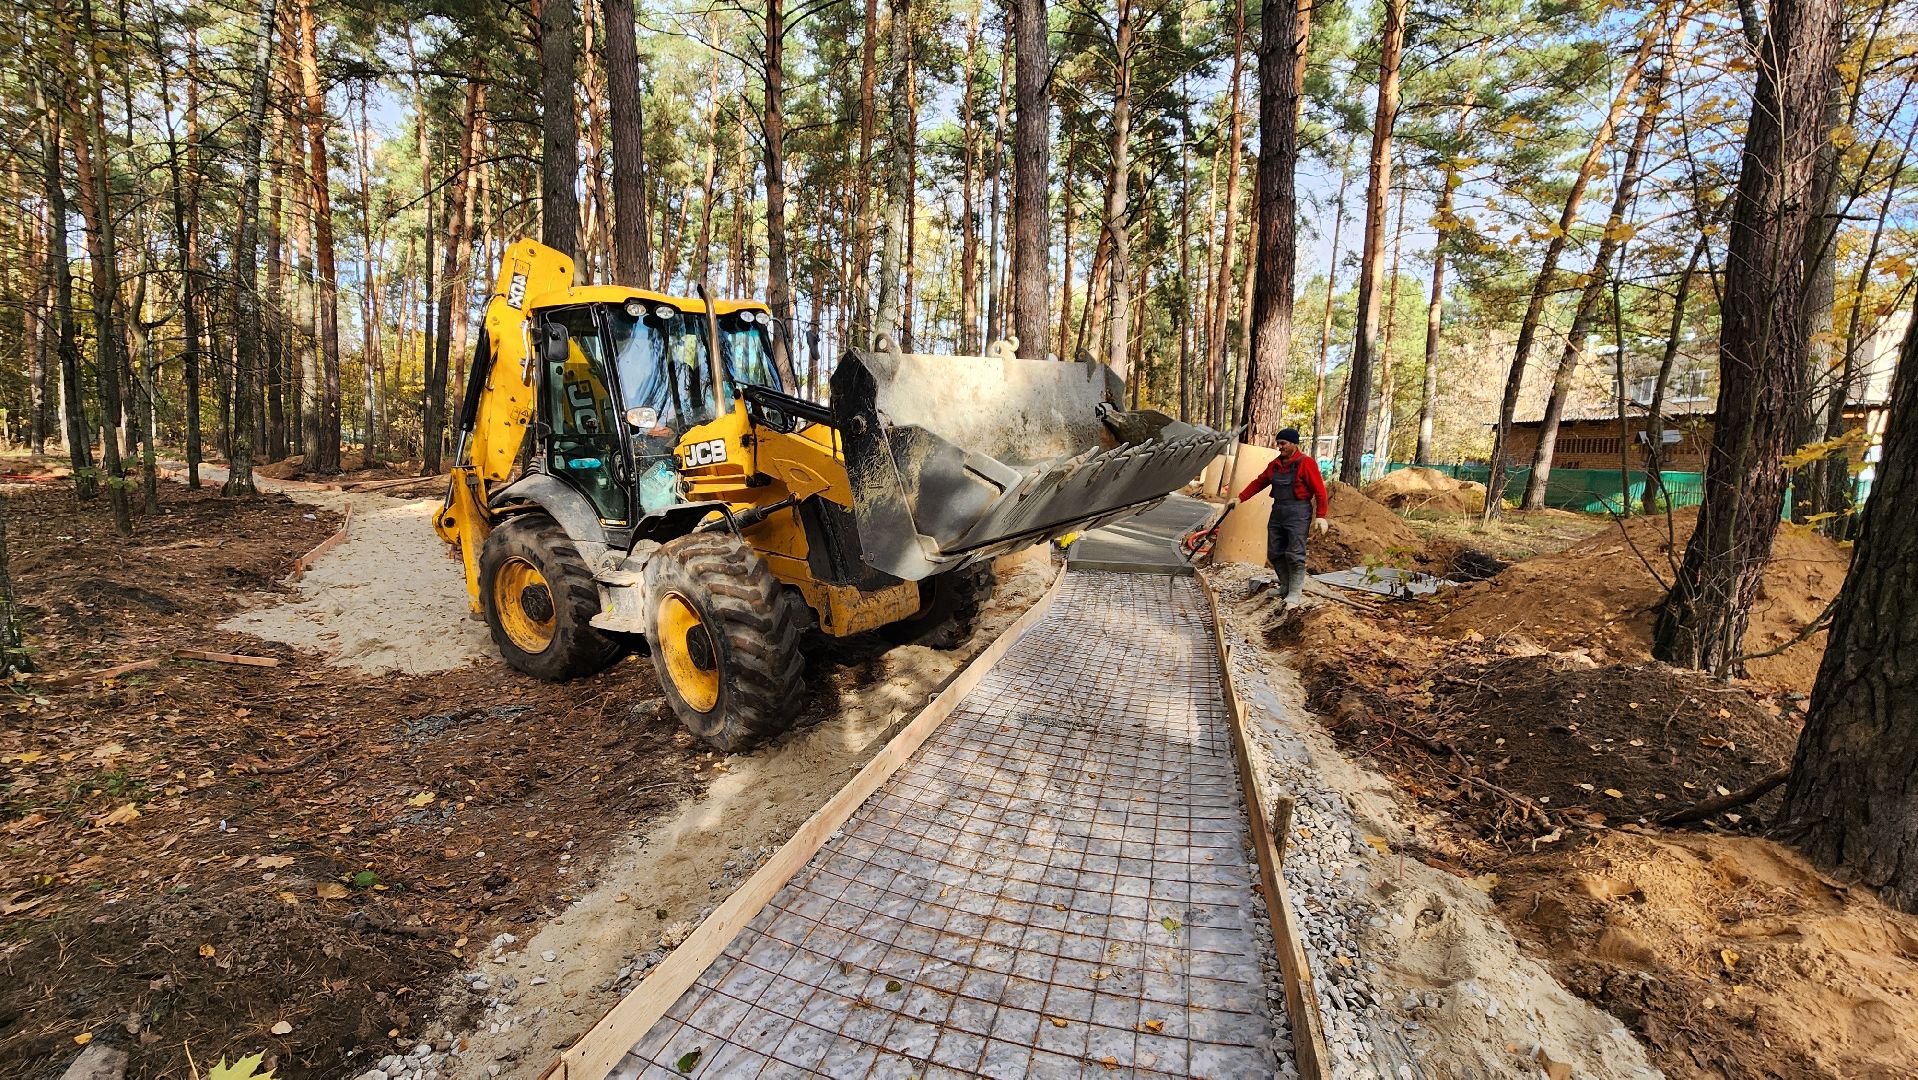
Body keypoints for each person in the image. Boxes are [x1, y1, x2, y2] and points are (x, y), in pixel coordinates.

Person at [1226, 428, 1329, 605]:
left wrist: (1321, 515)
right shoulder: (1275, 465)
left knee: (1295, 553)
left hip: (1298, 512)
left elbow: (1320, 490)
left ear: (1294, 444)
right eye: (1278, 443)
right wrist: (1240, 498)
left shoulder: (1306, 463)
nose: (1280, 447)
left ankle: (1295, 592)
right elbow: (1260, 482)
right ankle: (1285, 586)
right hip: (1278, 510)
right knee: (1274, 552)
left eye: (1283, 443)